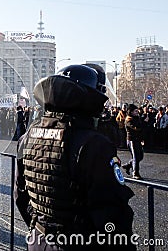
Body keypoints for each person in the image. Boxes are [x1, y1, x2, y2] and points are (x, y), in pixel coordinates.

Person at [15, 64, 135, 250]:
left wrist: (42, 226)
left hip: (38, 239)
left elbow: (20, 195)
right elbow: (112, 213)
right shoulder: (94, 144)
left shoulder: (28, 136)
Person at [122, 104, 144, 179]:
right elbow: (136, 128)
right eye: (135, 111)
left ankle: (128, 165)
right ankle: (135, 173)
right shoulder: (128, 120)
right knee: (135, 157)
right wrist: (144, 121)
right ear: (131, 112)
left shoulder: (137, 118)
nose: (137, 112)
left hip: (137, 140)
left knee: (140, 156)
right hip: (131, 140)